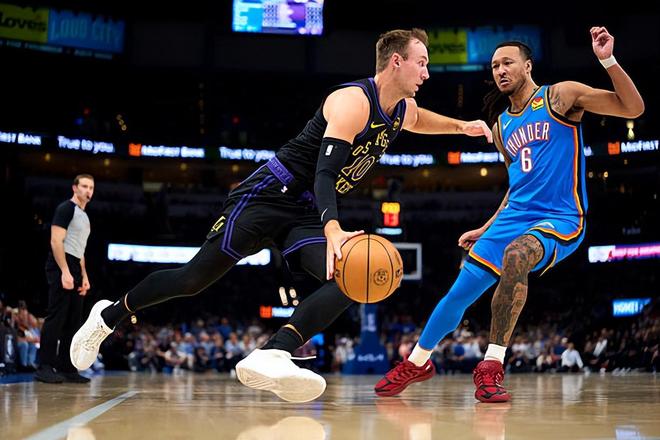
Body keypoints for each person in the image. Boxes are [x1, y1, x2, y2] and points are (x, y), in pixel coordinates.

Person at [70, 28, 492, 402]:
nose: (427, 73)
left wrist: (462, 127)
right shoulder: (352, 101)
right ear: (396, 61)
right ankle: (108, 316)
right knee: (192, 279)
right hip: (270, 195)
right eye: (422, 63)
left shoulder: (402, 109)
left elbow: (421, 120)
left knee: (352, 278)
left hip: (305, 212)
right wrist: (333, 228)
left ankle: (274, 353)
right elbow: (325, 173)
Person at [375, 26, 644, 402]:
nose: (500, 70)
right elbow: (517, 186)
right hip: (512, 217)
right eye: (495, 66)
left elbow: (633, 108)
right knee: (458, 293)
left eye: (507, 63)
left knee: (517, 254)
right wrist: (486, 227)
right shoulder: (501, 126)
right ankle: (417, 362)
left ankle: (491, 366)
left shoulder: (560, 96)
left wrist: (608, 60)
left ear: (527, 66)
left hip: (560, 216)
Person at [35, 174, 95, 383]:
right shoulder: (66, 209)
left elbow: (80, 250)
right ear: (74, 188)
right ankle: (44, 366)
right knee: (56, 316)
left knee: (73, 320)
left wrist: (84, 276)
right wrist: (65, 271)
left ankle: (67, 367)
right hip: (61, 263)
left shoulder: (84, 216)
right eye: (84, 186)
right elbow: (55, 241)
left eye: (91, 187)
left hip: (75, 264)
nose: (88, 190)